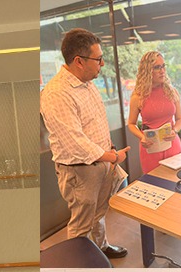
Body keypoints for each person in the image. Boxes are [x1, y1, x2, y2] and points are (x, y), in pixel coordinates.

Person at [40, 28, 129, 260]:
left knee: (98, 213)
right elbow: (74, 142)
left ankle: (101, 247)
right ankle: (78, 265)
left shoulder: (87, 83)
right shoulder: (56, 93)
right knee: (81, 224)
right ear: (79, 61)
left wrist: (109, 151)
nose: (102, 63)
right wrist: (112, 157)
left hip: (101, 161)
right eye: (98, 58)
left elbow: (97, 121)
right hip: (80, 170)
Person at [127, 51, 181, 176]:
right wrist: (142, 137)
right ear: (147, 70)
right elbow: (131, 124)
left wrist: (176, 130)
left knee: (176, 183)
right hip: (151, 147)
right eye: (157, 67)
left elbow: (179, 119)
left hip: (172, 144)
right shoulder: (138, 96)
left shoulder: (172, 92)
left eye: (163, 66)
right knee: (155, 184)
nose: (162, 70)